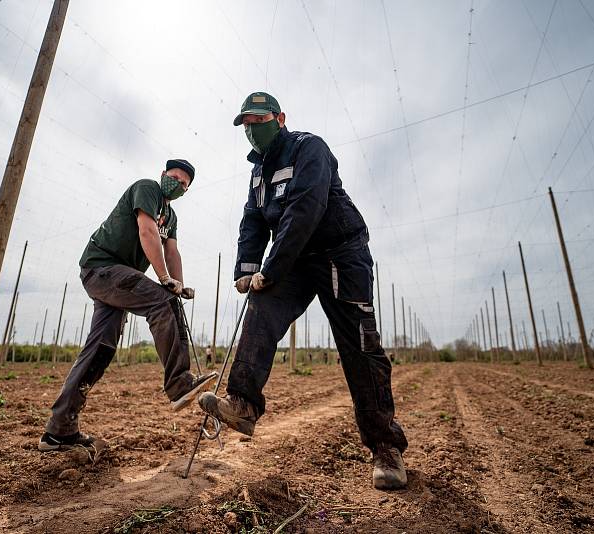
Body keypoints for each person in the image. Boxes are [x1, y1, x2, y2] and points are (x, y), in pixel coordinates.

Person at [198, 92, 408, 490]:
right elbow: (253, 222)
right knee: (261, 305)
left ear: (279, 118)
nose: (251, 130)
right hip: (296, 258)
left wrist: (271, 267)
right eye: (245, 124)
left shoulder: (309, 148)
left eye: (258, 121)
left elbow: (305, 208)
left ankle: (385, 446)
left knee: (359, 346)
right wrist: (247, 271)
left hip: (339, 253)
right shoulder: (258, 172)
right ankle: (243, 404)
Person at [40, 159, 216, 452]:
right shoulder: (147, 189)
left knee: (101, 349)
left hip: (116, 281)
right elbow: (147, 233)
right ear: (163, 176)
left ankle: (59, 430)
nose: (178, 184)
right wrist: (164, 280)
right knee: (162, 301)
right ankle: (179, 383)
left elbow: (171, 251)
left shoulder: (170, 217)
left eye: (184, 184)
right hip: (103, 268)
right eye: (174, 177)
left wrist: (179, 284)